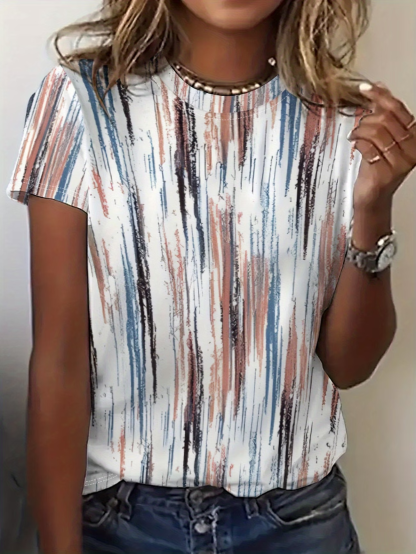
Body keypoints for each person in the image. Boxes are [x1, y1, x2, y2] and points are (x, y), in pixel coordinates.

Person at [6, 0, 416, 552]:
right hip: (120, 523)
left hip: (297, 522)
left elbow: (350, 365)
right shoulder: (82, 102)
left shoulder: (351, 123)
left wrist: (373, 207)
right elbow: (59, 362)